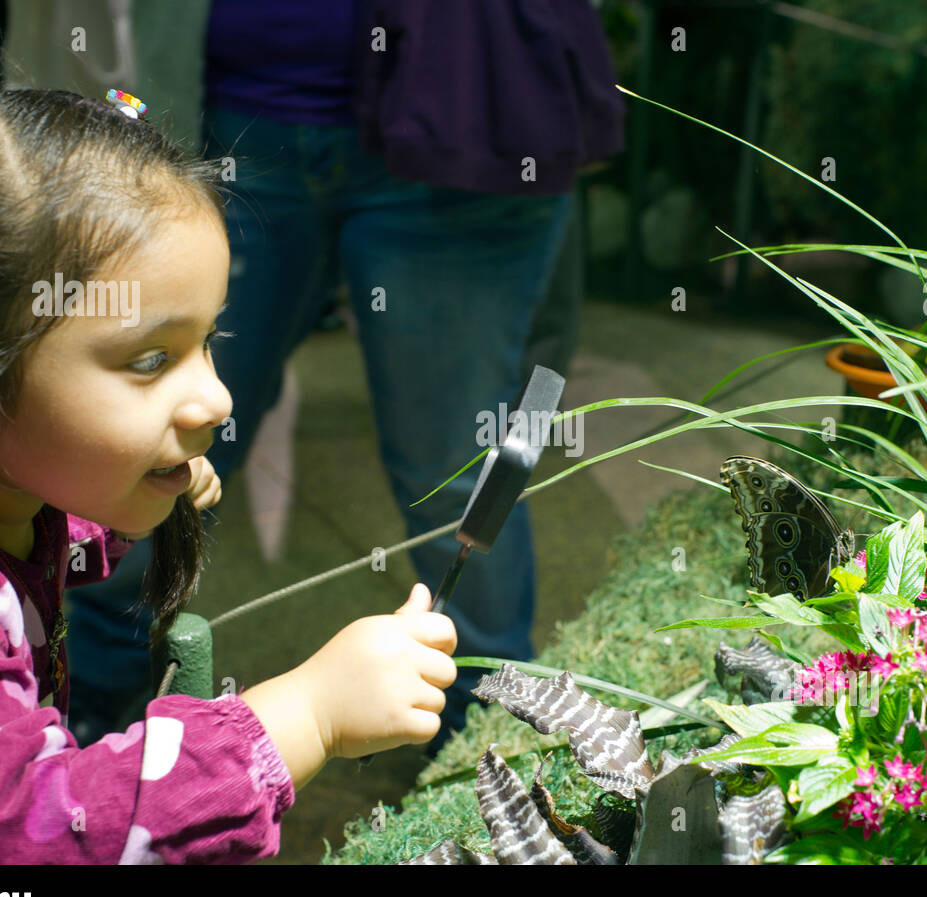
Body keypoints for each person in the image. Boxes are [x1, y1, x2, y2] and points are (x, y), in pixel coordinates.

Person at [0, 83, 456, 863]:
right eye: (150, 359)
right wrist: (302, 715)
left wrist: (102, 529)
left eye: (208, 338)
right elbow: (27, 836)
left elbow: (30, 546)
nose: (218, 397)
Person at [62, 0, 624, 750]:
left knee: (456, 469)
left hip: (461, 134)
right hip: (243, 118)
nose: (205, 392)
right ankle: (83, 708)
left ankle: (484, 748)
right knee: (155, 446)